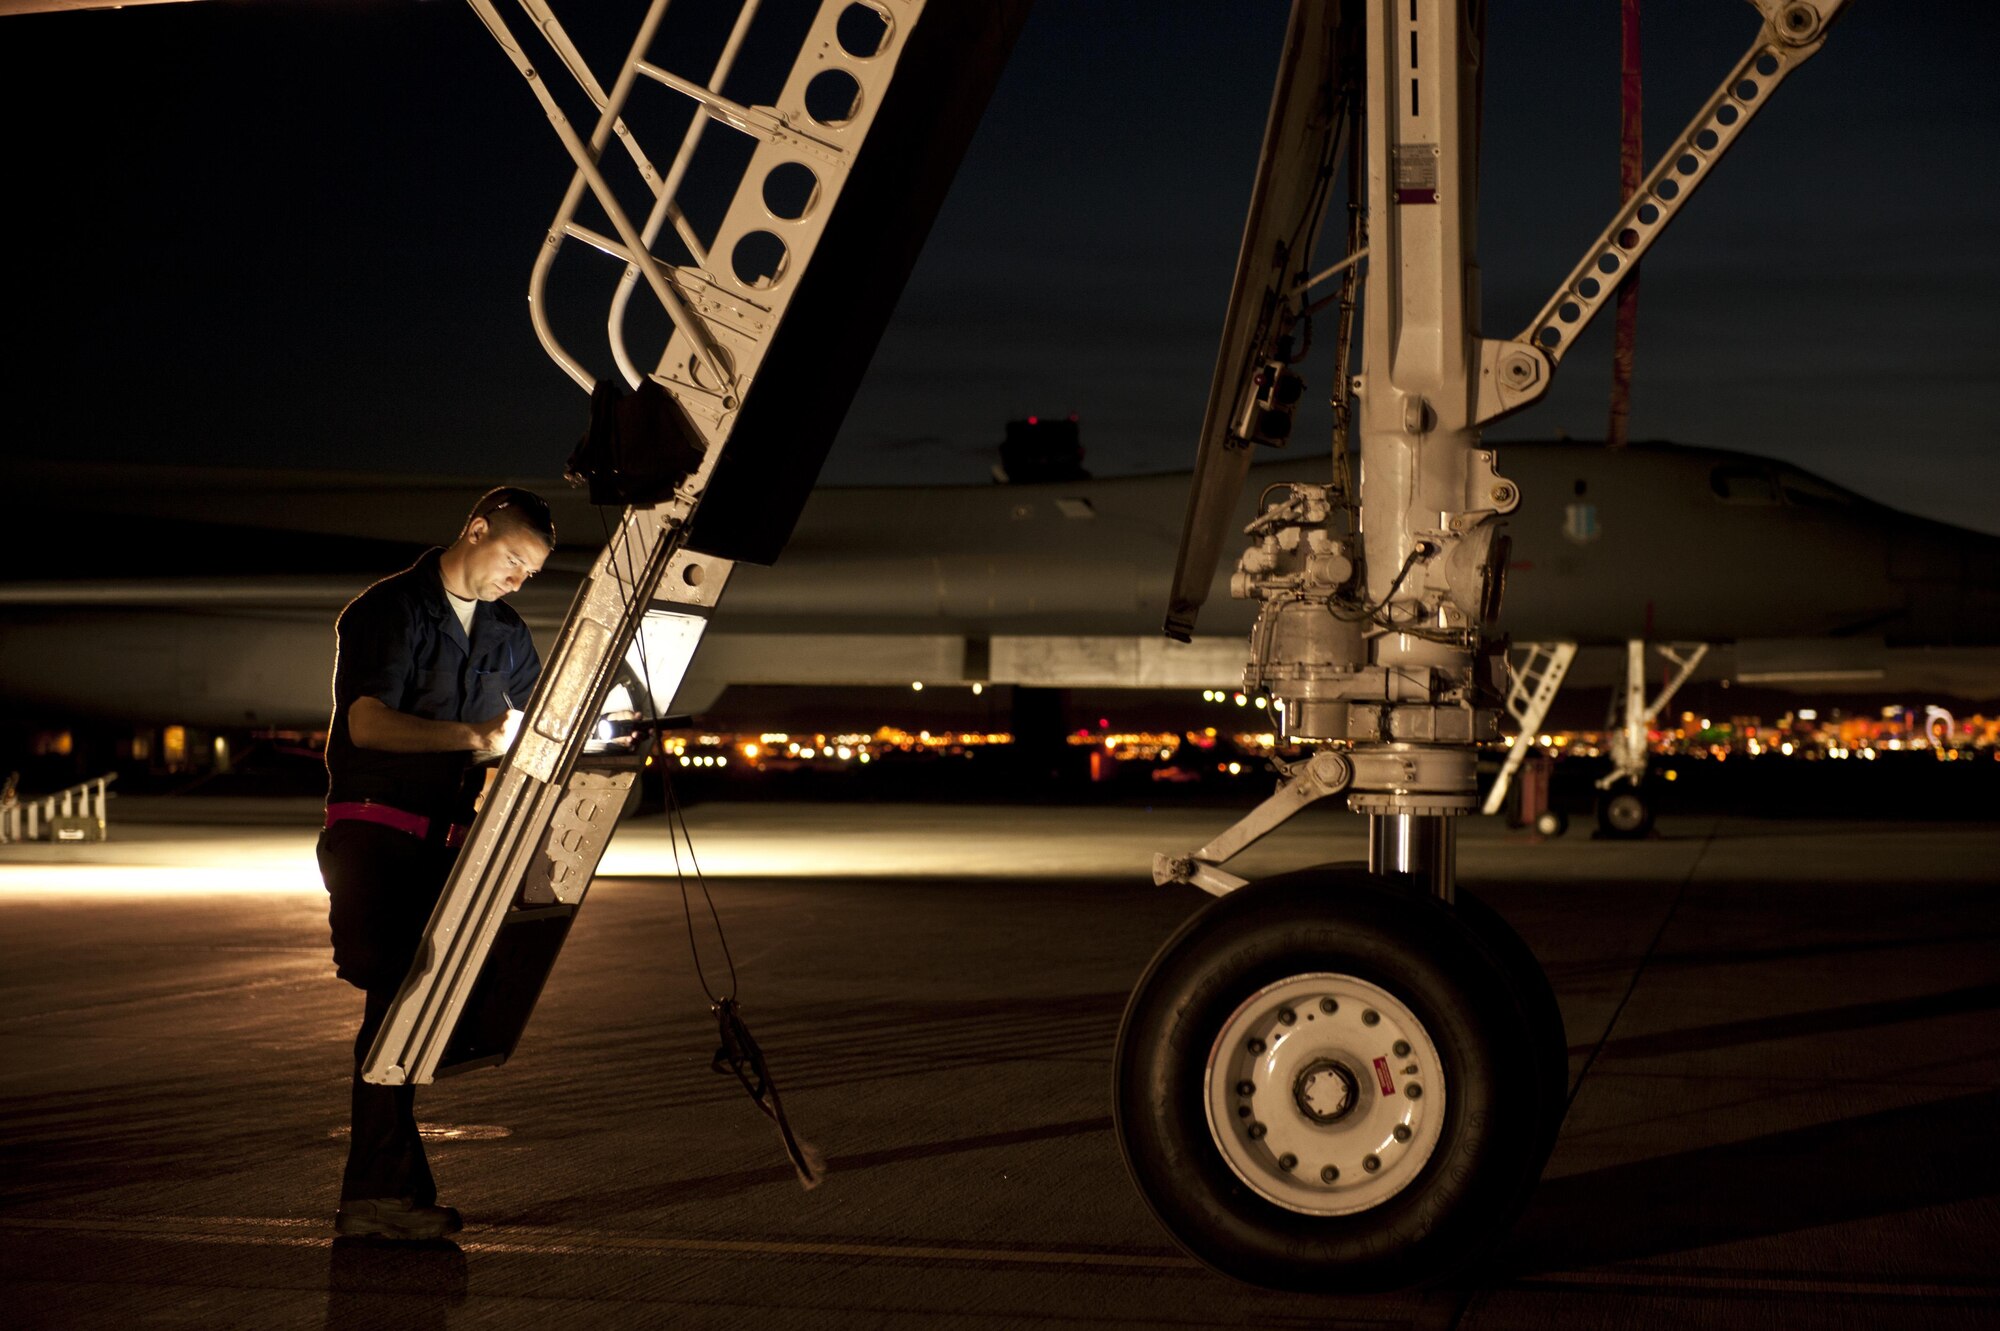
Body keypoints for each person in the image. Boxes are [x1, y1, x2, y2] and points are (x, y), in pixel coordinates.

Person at [317, 486, 555, 1240]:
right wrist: (474, 740)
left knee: (410, 1009)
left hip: (445, 847)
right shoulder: (387, 610)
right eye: (513, 560)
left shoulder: (508, 634)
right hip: (375, 838)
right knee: (391, 994)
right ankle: (382, 1194)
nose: (517, 581)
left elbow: (545, 710)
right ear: (476, 529)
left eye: (531, 573)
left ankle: (388, 1192)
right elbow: (367, 723)